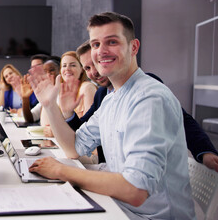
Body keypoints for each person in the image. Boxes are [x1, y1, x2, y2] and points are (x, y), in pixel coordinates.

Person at [28, 12, 195, 219]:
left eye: (112, 42)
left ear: (133, 47)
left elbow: (135, 190)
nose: (101, 51)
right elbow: (73, 147)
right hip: (120, 207)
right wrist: (50, 106)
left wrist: (62, 171)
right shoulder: (111, 99)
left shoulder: (149, 98)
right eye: (96, 44)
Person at [67, 39, 218, 170]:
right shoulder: (102, 94)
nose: (94, 72)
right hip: (110, 172)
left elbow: (181, 120)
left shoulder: (146, 85)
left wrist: (204, 151)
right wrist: (67, 114)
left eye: (96, 64)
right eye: (87, 68)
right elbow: (82, 130)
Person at [60, 51, 97, 118]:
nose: (67, 69)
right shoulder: (61, 91)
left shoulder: (87, 87)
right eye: (64, 66)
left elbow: (88, 121)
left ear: (82, 69)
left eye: (73, 65)